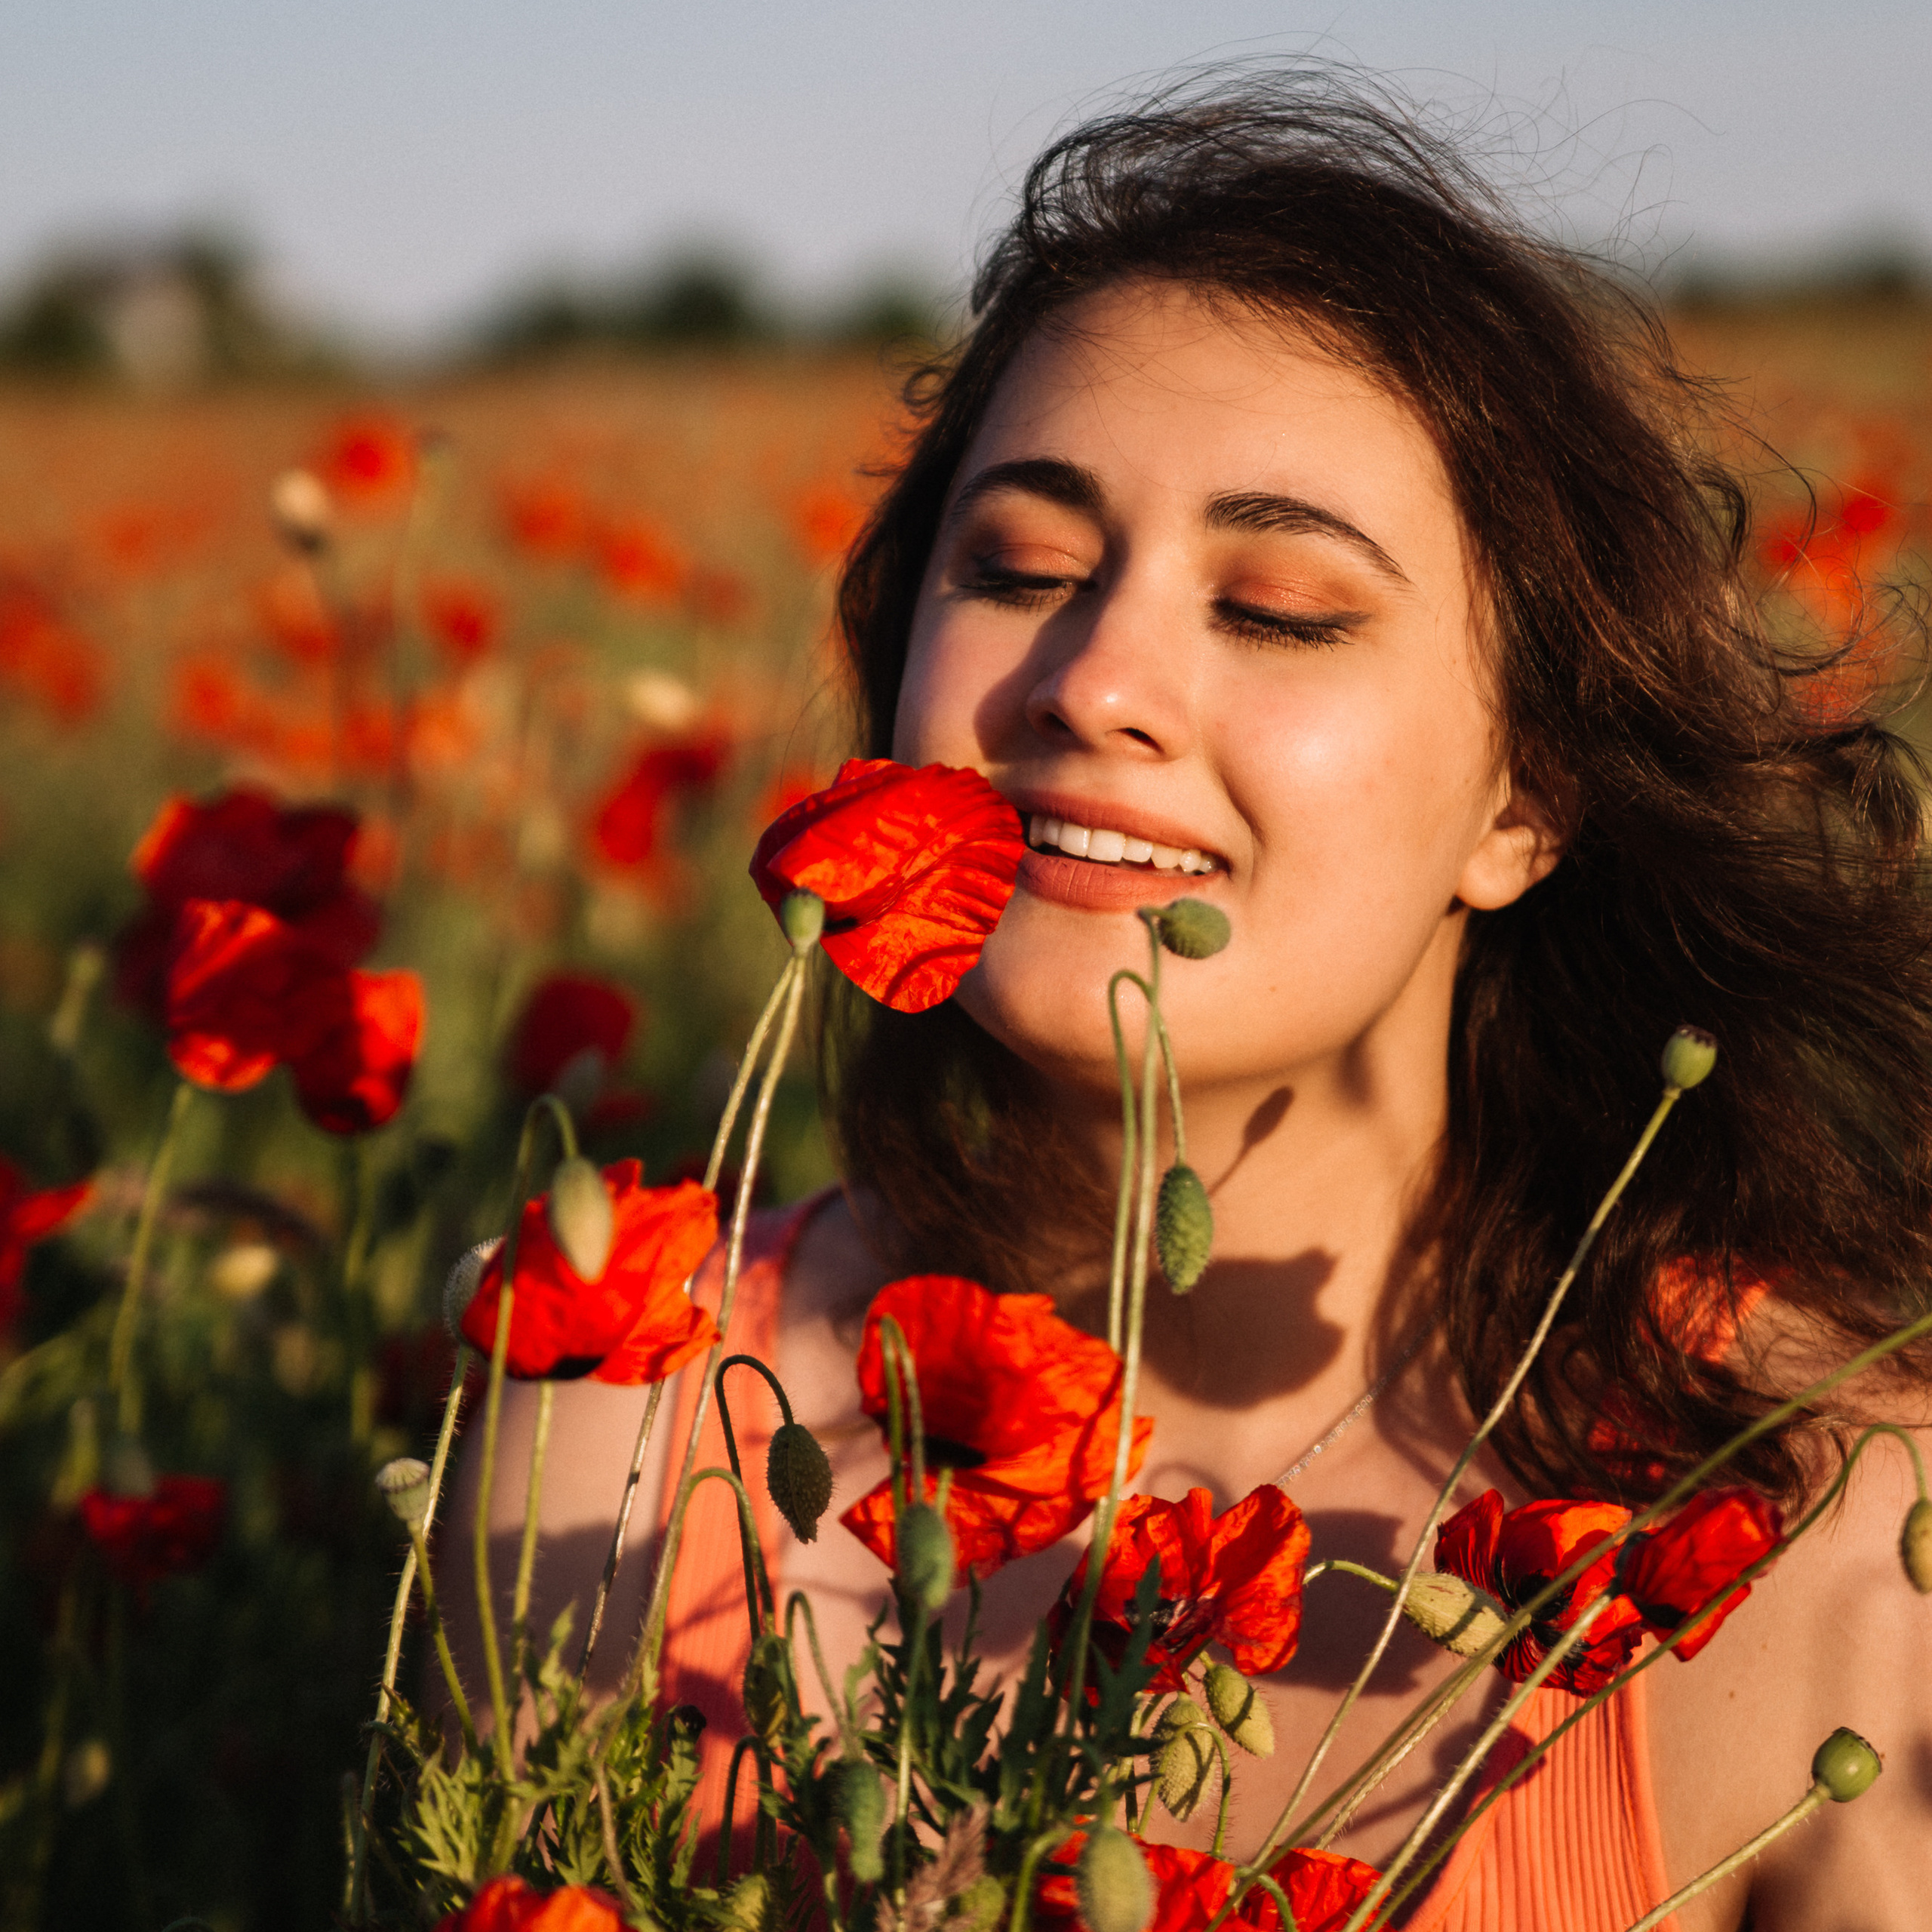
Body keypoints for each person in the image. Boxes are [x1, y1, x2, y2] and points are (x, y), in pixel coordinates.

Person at [455, 70, 1932, 1929]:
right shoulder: (620, 1424)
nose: (1090, 680)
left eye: (1280, 605)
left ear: (1525, 799)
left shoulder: (1821, 1537)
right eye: (1020, 569)